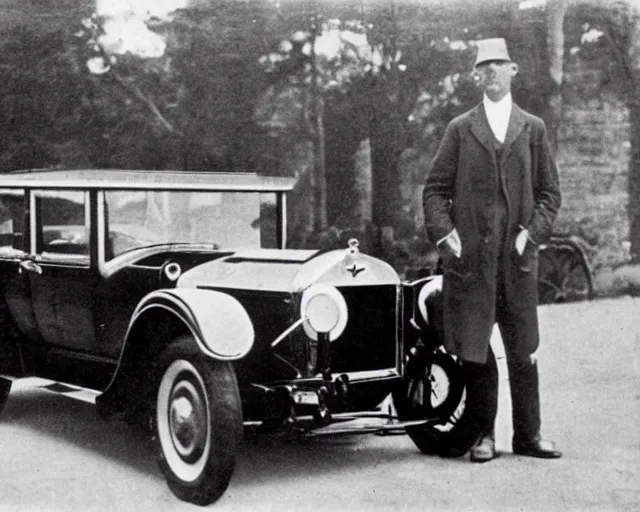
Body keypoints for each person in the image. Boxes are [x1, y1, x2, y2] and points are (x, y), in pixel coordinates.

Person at [422, 38, 562, 463]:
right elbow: (434, 191)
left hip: (517, 262)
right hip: (473, 265)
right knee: (476, 352)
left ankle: (528, 435)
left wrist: (530, 236)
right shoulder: (460, 129)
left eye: (500, 64)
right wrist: (448, 238)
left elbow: (549, 194)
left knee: (524, 350)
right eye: (485, 66)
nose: (493, 72)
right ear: (476, 75)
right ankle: (484, 435)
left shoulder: (532, 128)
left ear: (513, 70)